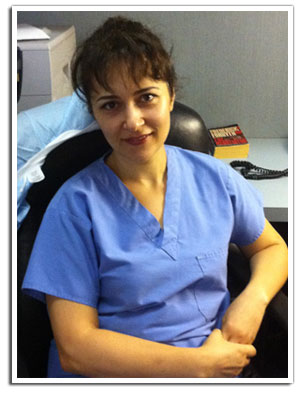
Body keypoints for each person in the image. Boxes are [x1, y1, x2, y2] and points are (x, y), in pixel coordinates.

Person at [22, 16, 288, 378]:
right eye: (111, 105)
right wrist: (198, 366)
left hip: (218, 364)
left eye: (146, 97)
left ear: (171, 95)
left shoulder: (214, 178)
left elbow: (272, 248)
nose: (132, 121)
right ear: (95, 113)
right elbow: (77, 348)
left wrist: (253, 300)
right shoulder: (75, 207)